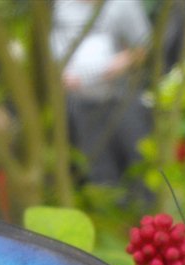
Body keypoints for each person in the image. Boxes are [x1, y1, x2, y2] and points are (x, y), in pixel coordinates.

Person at [50, 0, 153, 186]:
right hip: (83, 105)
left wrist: (119, 64)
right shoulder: (61, 6)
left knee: (141, 163)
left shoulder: (124, 5)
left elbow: (145, 47)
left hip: (124, 100)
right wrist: (62, 75)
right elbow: (54, 52)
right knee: (99, 172)